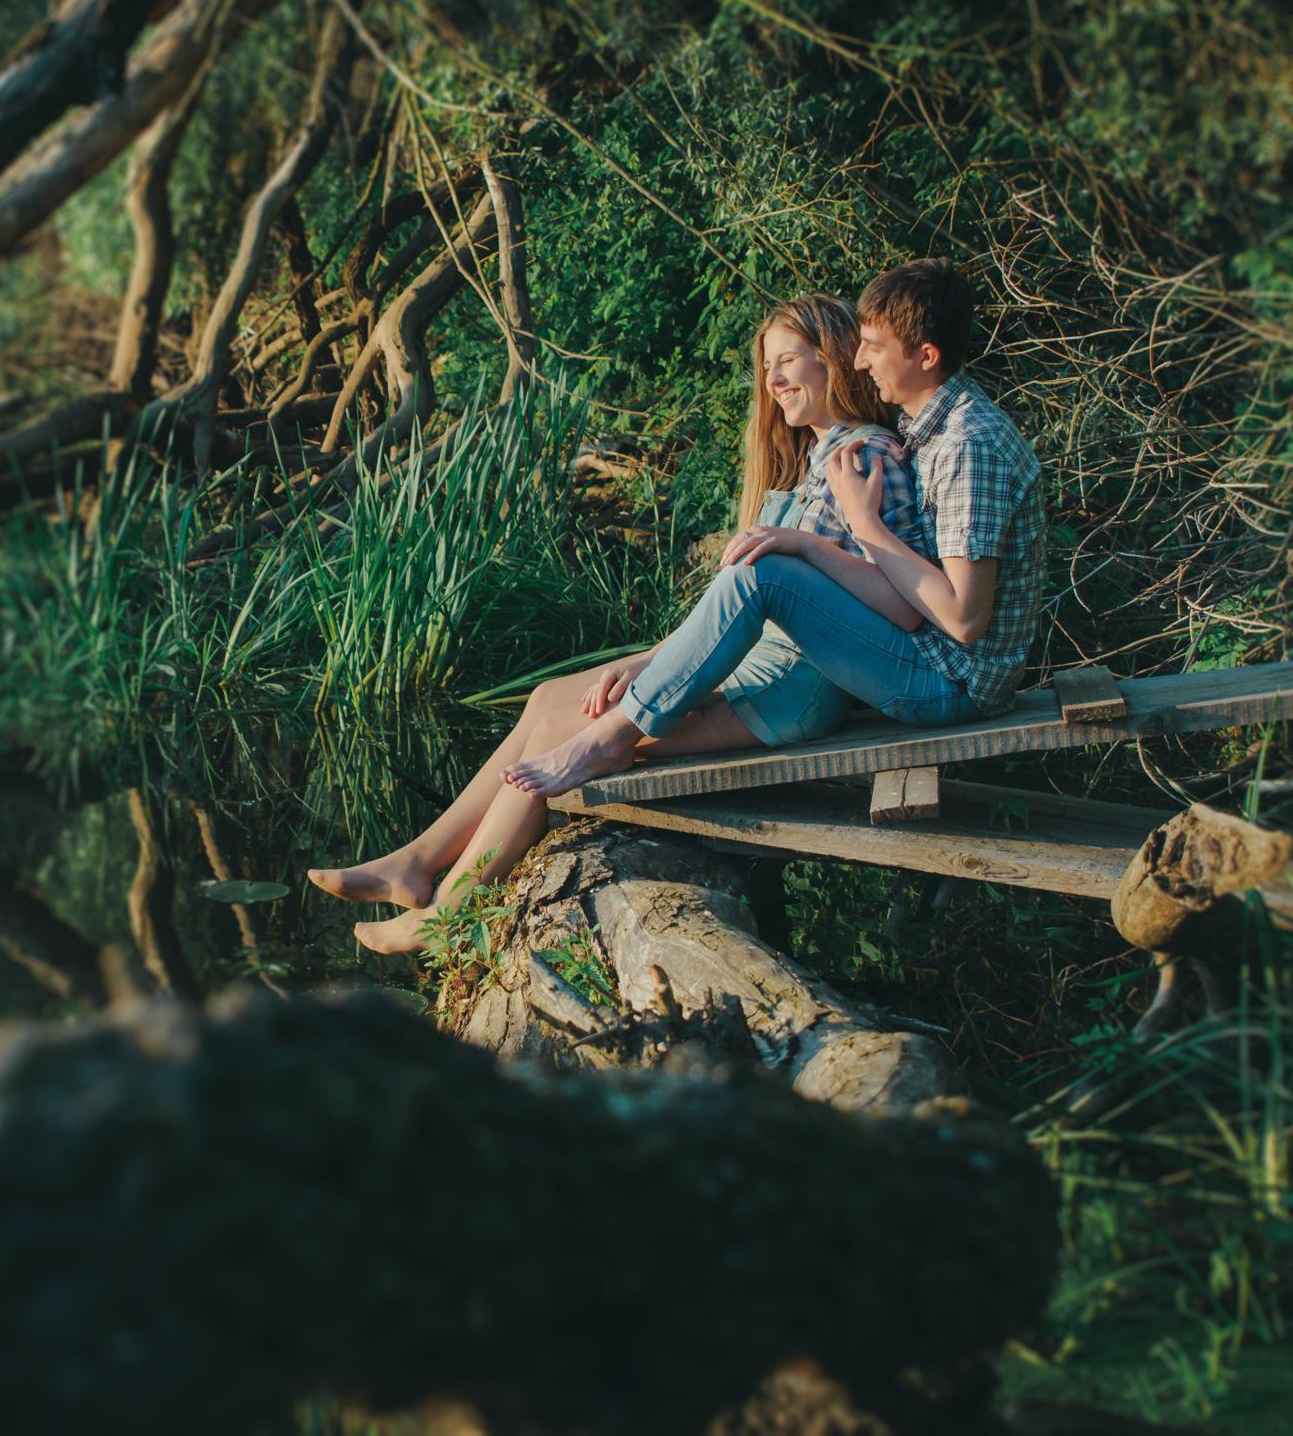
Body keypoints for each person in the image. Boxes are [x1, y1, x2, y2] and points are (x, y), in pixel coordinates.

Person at [309, 292, 929, 953]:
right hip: (753, 662)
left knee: (557, 726)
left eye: (787, 361)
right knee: (551, 696)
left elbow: (879, 602)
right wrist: (643, 666)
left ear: (834, 357)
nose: (773, 382)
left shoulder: (862, 458)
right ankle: (418, 860)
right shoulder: (817, 457)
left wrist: (652, 679)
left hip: (790, 687)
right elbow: (726, 614)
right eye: (767, 367)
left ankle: (452, 916)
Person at [503, 257, 1046, 801]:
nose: (858, 360)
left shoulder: (966, 446)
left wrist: (857, 526)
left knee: (763, 576)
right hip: (928, 661)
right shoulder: (930, 429)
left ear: (925, 357)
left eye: (873, 347)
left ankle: (614, 737)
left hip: (953, 684)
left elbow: (964, 619)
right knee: (763, 573)